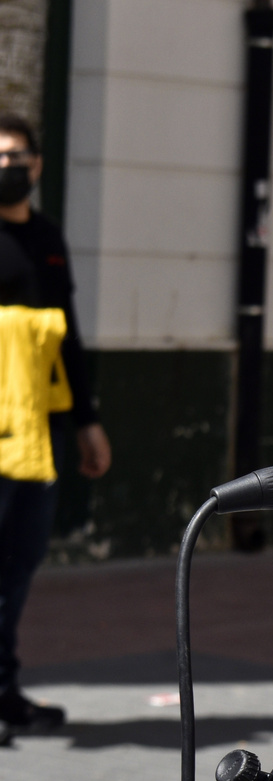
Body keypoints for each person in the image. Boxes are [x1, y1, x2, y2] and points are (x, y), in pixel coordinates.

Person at [0, 113, 111, 745]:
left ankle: (5, 691)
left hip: (43, 429)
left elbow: (65, 332)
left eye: (16, 155)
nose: (8, 167)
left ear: (37, 165)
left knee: (19, 563)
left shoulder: (46, 237)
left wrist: (88, 422)